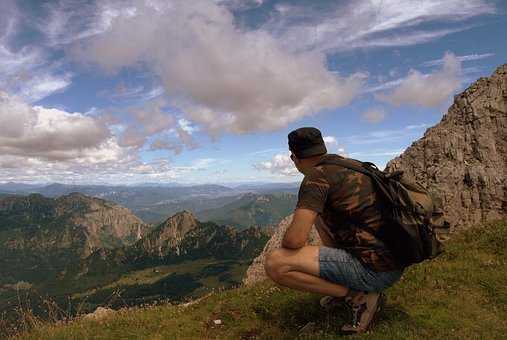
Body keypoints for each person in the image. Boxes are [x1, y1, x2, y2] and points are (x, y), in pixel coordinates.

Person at [264, 127, 404, 334]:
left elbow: (294, 241)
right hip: (395, 260)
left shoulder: (316, 177)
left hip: (376, 271)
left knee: (275, 262)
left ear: (294, 157)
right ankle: (349, 288)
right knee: (320, 218)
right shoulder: (352, 166)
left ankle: (358, 296)